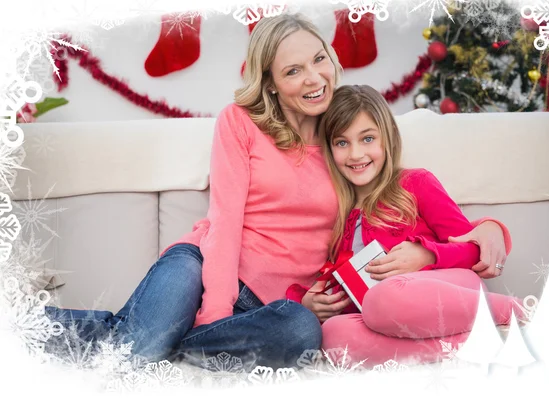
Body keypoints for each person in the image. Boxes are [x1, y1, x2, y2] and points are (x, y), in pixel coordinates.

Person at [44, 13, 512, 370]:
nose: (313, 78)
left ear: (332, 58)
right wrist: (214, 317)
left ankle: (167, 343)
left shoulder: (341, 134)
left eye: (319, 60)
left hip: (278, 307)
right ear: (271, 83)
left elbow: (399, 189)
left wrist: (489, 227)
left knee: (300, 333)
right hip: (204, 266)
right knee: (135, 347)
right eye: (293, 72)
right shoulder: (241, 123)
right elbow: (225, 223)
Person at [296, 84, 525, 366]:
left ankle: (514, 311)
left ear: (387, 139)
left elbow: (471, 249)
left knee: (384, 298)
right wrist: (310, 305)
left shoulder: (414, 183)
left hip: (449, 289)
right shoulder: (339, 215)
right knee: (333, 336)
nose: (356, 154)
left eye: (367, 139)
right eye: (342, 143)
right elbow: (345, 291)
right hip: (391, 314)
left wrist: (426, 256)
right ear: (330, 150)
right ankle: (471, 345)